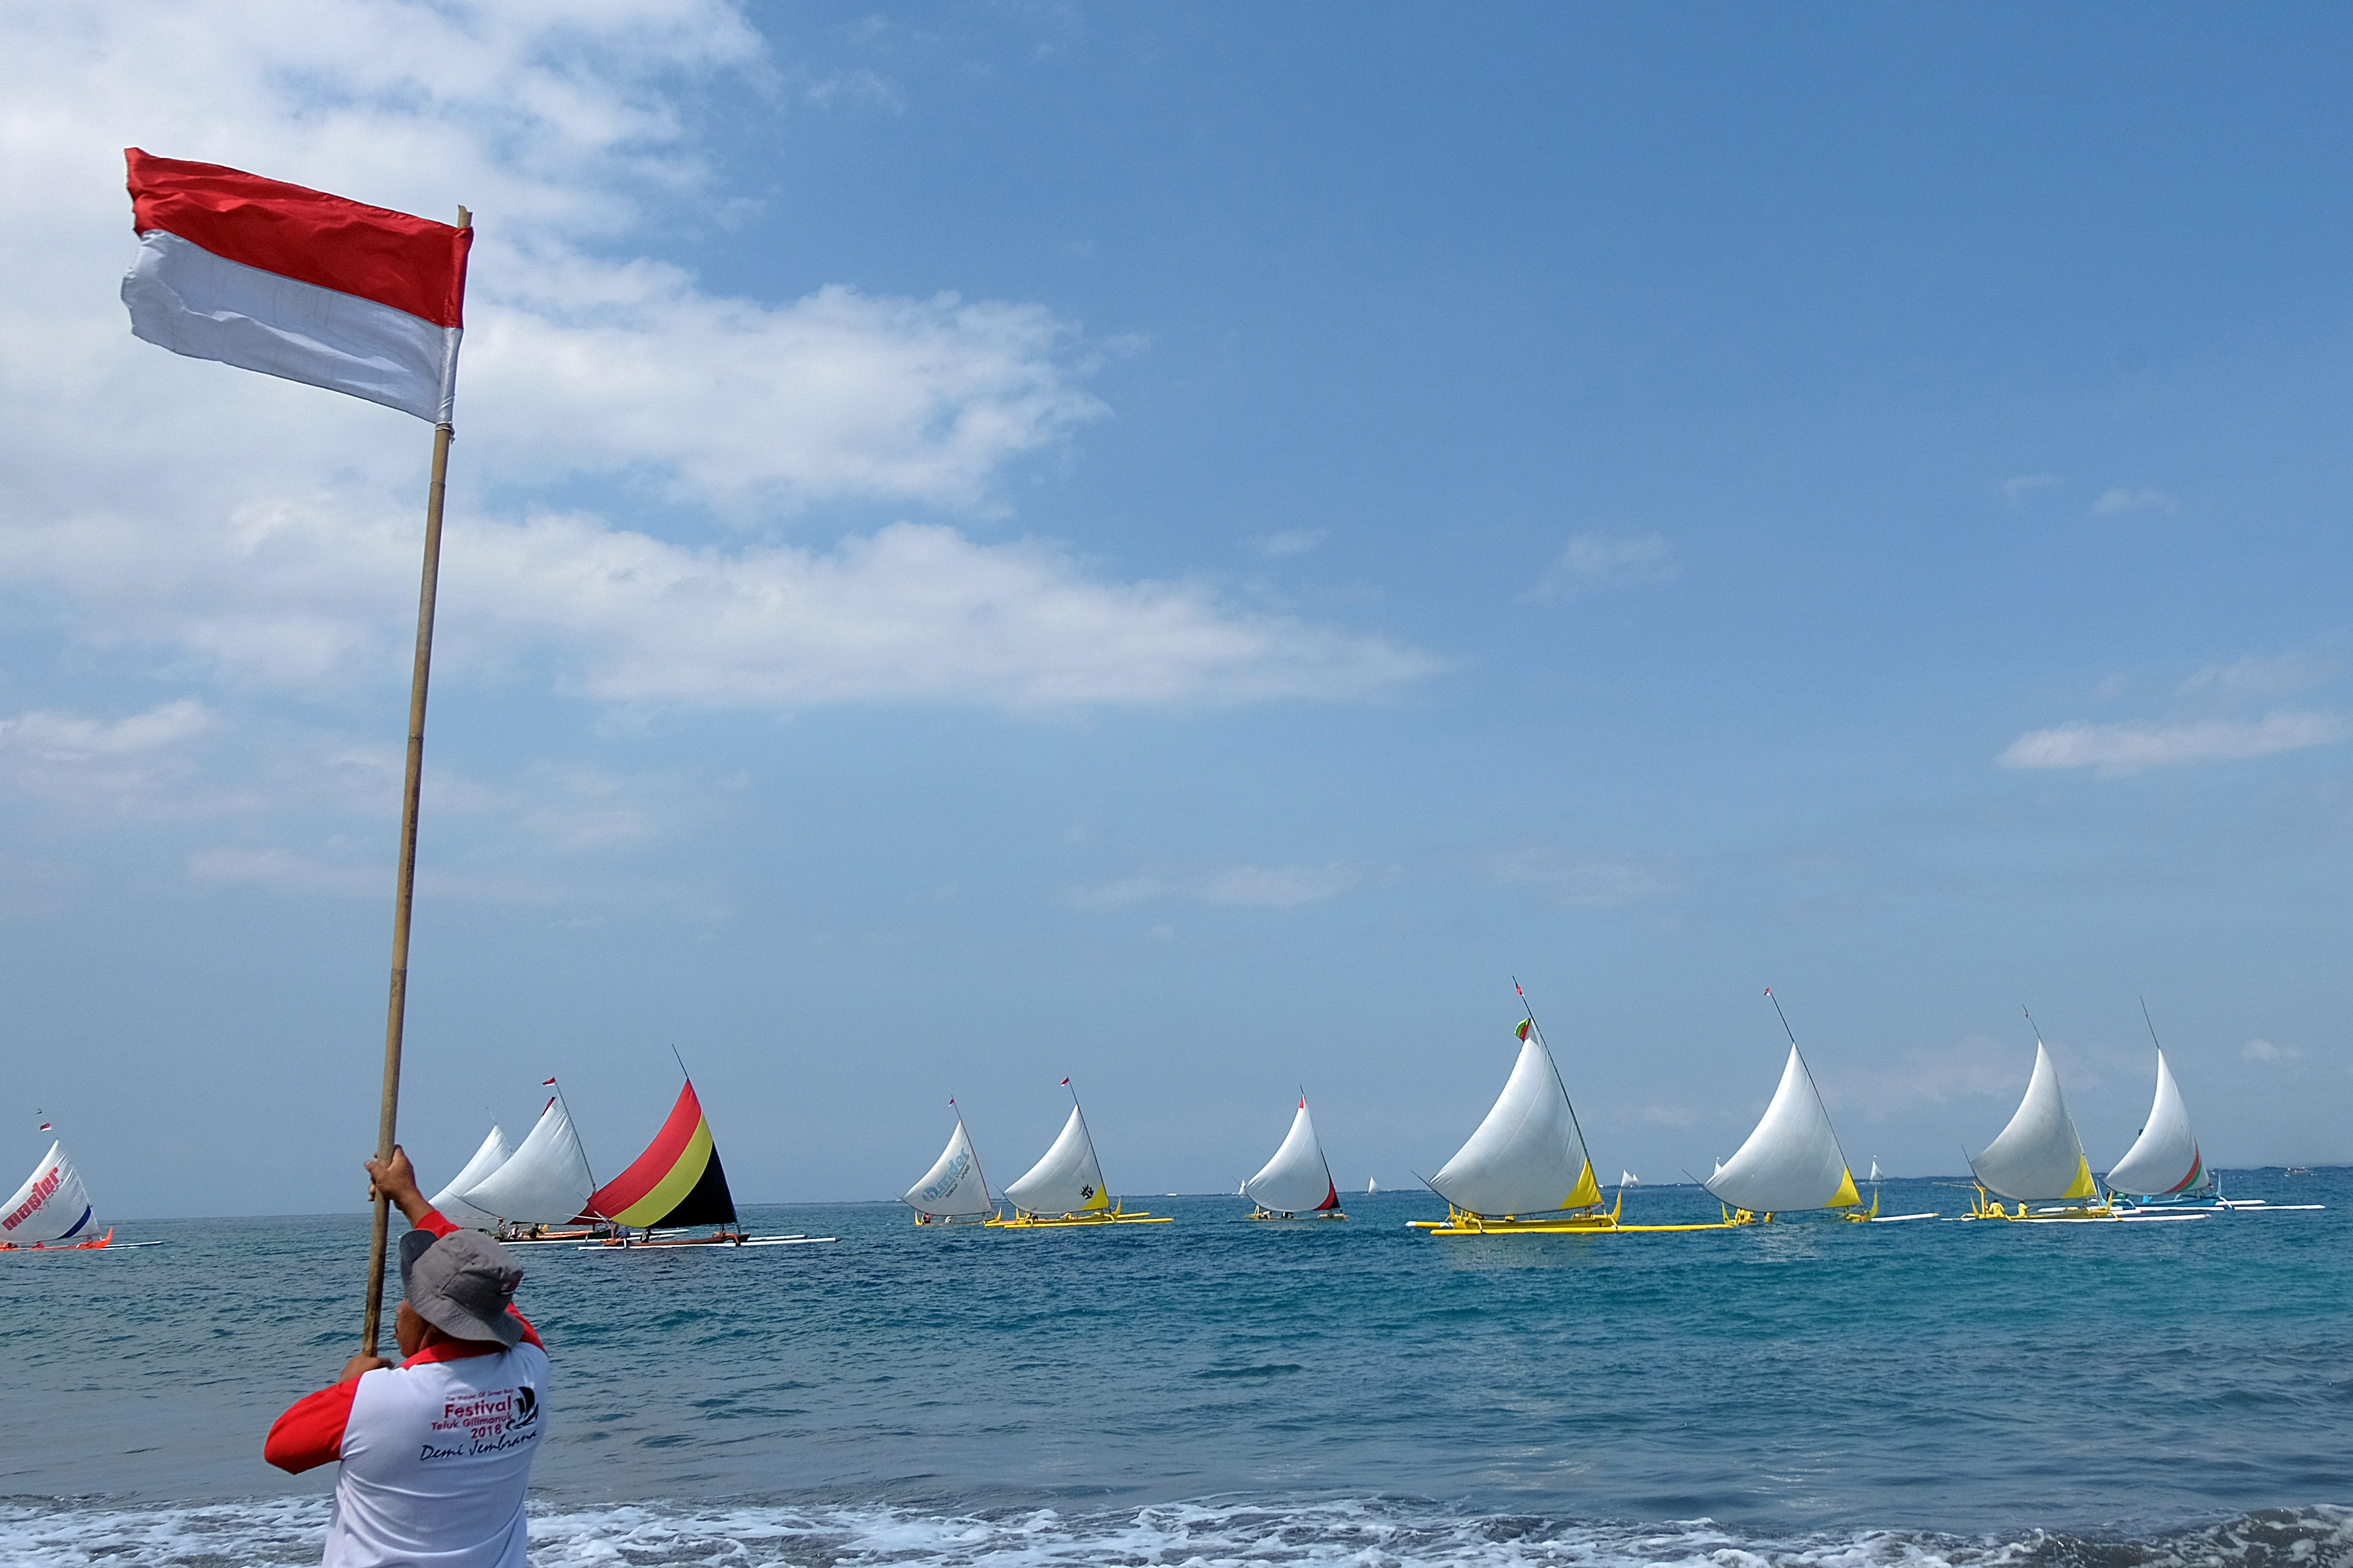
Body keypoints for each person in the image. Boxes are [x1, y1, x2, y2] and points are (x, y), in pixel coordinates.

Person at [265, 1147, 550, 1568]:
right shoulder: (530, 1368)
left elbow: (281, 1448)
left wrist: (347, 1388)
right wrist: (409, 1197)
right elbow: (485, 1284)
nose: (399, 1308)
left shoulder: (373, 1400)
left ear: (436, 1319)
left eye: (410, 1297)